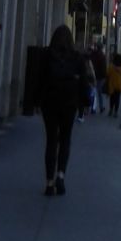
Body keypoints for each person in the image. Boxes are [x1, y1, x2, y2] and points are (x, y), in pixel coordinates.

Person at [34, 24, 92, 197]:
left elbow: (39, 79)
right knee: (65, 139)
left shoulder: (46, 56)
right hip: (69, 103)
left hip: (49, 103)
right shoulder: (76, 58)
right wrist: (85, 104)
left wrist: (36, 101)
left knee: (51, 140)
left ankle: (49, 183)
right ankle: (60, 175)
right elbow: (84, 83)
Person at [89, 40, 108, 114]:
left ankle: (93, 108)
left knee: (94, 92)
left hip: (93, 75)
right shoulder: (102, 56)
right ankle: (100, 107)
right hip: (100, 76)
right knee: (98, 92)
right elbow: (103, 68)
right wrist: (105, 76)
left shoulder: (92, 55)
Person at [106, 50, 121, 117]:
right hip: (119, 84)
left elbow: (108, 74)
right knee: (117, 98)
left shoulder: (111, 66)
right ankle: (116, 112)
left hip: (112, 84)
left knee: (112, 98)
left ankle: (111, 110)